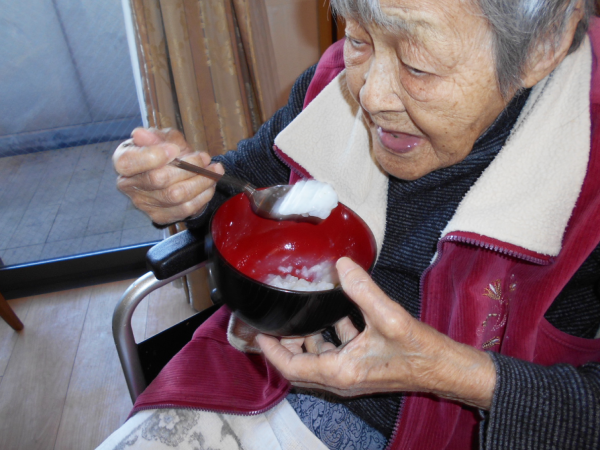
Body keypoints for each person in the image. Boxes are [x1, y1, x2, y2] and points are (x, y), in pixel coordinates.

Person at [99, 0, 600, 448]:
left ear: (543, 45)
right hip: (259, 373)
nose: (370, 96)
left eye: (418, 64)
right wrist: (184, 191)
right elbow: (243, 194)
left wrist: (451, 374)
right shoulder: (331, 85)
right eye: (358, 38)